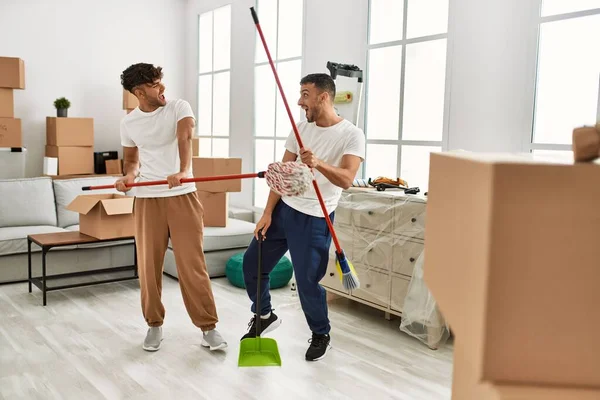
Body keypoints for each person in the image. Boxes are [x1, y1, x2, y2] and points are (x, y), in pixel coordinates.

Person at [241, 73, 365, 361]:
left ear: (323, 96)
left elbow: (347, 179)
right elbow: (281, 176)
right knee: (252, 264)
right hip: (284, 210)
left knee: (308, 282)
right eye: (299, 94)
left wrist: (318, 163)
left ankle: (321, 333)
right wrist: (267, 213)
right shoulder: (300, 129)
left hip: (315, 218)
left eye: (305, 94)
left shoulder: (351, 134)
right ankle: (264, 314)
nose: (300, 101)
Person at [116, 63, 227, 352]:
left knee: (192, 265)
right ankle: (154, 325)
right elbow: (131, 160)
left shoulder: (178, 106)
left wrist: (183, 169)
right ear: (139, 92)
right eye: (154, 84)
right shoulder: (129, 122)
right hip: (147, 199)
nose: (162, 87)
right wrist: (128, 176)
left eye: (161, 81)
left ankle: (208, 327)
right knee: (148, 266)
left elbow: (185, 137)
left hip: (182, 194)